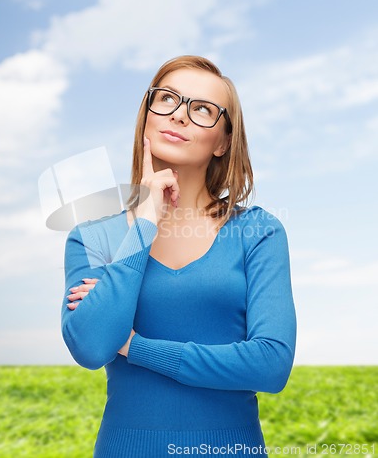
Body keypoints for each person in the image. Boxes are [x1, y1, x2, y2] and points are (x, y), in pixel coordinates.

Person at [62, 55, 297, 457]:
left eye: (203, 109)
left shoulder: (258, 232)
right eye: (168, 99)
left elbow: (271, 364)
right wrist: (145, 223)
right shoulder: (93, 236)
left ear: (224, 141)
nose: (180, 116)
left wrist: (136, 347)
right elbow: (91, 345)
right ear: (147, 117)